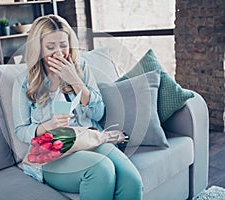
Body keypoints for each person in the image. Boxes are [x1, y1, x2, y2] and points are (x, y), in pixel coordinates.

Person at [12, 14, 143, 200]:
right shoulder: (24, 82)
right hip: (52, 151)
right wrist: (48, 125)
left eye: (63, 45)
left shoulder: (81, 66)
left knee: (132, 181)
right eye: (50, 47)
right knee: (100, 169)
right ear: (38, 48)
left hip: (87, 140)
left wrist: (74, 79)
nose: (59, 52)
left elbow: (98, 114)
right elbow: (21, 130)